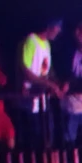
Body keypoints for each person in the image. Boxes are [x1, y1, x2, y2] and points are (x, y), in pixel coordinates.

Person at [17, 19, 63, 150]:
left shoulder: (47, 44)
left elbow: (46, 70)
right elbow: (25, 70)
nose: (58, 31)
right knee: (35, 140)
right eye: (57, 28)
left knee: (49, 136)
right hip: (29, 98)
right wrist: (49, 84)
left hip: (42, 98)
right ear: (50, 26)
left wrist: (56, 84)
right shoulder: (31, 40)